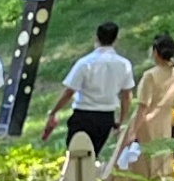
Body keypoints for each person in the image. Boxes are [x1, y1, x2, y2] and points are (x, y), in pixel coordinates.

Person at [52, 21, 135, 162]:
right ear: (116, 39)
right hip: (106, 116)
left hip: (83, 114)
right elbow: (126, 95)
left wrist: (54, 111)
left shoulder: (85, 63)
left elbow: (69, 91)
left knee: (75, 157)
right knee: (93, 156)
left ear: (96, 37)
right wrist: (121, 120)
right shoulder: (124, 64)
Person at [113, 32, 174, 181]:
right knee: (161, 159)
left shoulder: (150, 76)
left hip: (145, 123)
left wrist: (132, 132)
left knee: (139, 163)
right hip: (164, 121)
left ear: (155, 52)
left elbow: (143, 107)